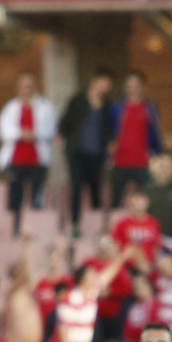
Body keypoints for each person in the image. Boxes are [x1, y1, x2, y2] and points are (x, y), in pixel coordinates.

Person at [0, 72, 57, 234]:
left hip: (37, 158)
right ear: (18, 88)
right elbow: (4, 130)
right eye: (23, 86)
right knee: (16, 195)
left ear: (34, 88)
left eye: (29, 86)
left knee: (38, 196)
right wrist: (21, 133)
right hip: (17, 158)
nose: (26, 90)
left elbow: (51, 129)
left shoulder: (45, 107)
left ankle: (36, 228)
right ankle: (15, 228)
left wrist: (35, 134)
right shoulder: (10, 108)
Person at [57, 67, 115, 227]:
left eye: (109, 84)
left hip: (97, 154)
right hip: (77, 153)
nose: (106, 87)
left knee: (95, 187)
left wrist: (110, 144)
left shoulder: (107, 105)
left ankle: (96, 223)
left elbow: (109, 129)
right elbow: (65, 122)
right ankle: (75, 223)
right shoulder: (78, 100)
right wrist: (61, 135)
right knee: (76, 187)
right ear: (94, 81)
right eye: (104, 82)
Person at [109, 71, 164, 208]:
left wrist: (158, 154)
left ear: (142, 87)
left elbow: (156, 133)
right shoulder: (116, 108)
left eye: (136, 85)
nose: (132, 89)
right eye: (129, 86)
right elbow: (109, 132)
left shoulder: (150, 108)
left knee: (146, 199)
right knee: (116, 201)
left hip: (143, 162)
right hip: (119, 161)